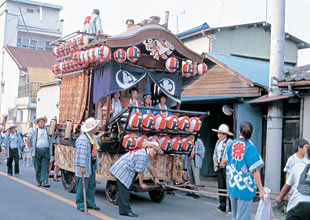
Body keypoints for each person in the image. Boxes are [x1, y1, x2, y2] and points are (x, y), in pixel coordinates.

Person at [110, 142, 163, 217]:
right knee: (125, 190)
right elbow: (140, 171)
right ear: (149, 147)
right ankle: (126, 211)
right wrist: (141, 184)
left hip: (124, 169)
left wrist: (156, 178)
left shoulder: (144, 153)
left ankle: (123, 209)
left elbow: (150, 167)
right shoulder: (143, 155)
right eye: (154, 151)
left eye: (156, 152)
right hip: (122, 170)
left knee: (124, 190)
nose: (154, 153)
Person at [225, 121, 265, 220]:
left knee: (235, 216)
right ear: (253, 131)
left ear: (239, 132)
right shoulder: (250, 147)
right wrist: (261, 190)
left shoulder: (231, 144)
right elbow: (255, 170)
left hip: (232, 184)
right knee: (243, 217)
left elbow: (227, 161)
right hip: (245, 186)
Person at [75, 117, 101, 212]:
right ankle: (80, 203)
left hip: (91, 164)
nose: (97, 128)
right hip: (85, 165)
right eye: (96, 127)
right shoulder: (83, 139)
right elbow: (81, 154)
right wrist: (82, 166)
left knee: (91, 184)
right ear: (92, 128)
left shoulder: (92, 137)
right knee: (83, 185)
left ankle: (90, 202)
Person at [276, 149, 310, 220]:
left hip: (297, 205)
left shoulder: (298, 166)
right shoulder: (293, 160)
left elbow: (288, 186)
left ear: (307, 155)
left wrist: (280, 197)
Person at [212, 124, 233, 213]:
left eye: (220, 133)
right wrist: (215, 162)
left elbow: (231, 155)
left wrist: (224, 161)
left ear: (224, 134)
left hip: (227, 168)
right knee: (221, 186)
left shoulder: (230, 142)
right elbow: (215, 154)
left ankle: (232, 208)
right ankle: (222, 206)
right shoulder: (218, 142)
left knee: (229, 187)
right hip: (219, 167)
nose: (218, 135)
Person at [26, 117, 53, 187]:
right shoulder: (34, 130)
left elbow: (53, 134)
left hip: (46, 150)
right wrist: (30, 148)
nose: (42, 123)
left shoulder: (47, 130)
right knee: (37, 167)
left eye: (43, 122)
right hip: (36, 150)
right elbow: (28, 138)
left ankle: (44, 181)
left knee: (45, 167)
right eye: (40, 122)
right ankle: (39, 181)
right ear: (37, 123)